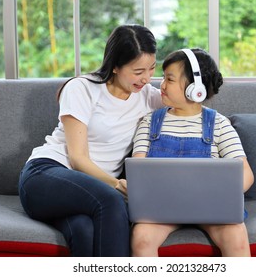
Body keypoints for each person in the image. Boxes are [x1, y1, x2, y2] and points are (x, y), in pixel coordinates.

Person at [17, 24, 163, 257]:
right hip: (45, 174)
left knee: (84, 230)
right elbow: (77, 159)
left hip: (86, 194)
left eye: (152, 68)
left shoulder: (148, 96)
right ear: (115, 66)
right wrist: (116, 185)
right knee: (112, 202)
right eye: (138, 71)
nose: (146, 78)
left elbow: (186, 104)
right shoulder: (82, 88)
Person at [117, 48, 254, 257]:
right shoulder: (149, 122)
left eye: (169, 79)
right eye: (163, 78)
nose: (161, 85)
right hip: (160, 208)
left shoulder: (219, 123)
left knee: (236, 237)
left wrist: (221, 193)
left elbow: (246, 174)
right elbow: (139, 170)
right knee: (142, 238)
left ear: (195, 88)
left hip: (212, 207)